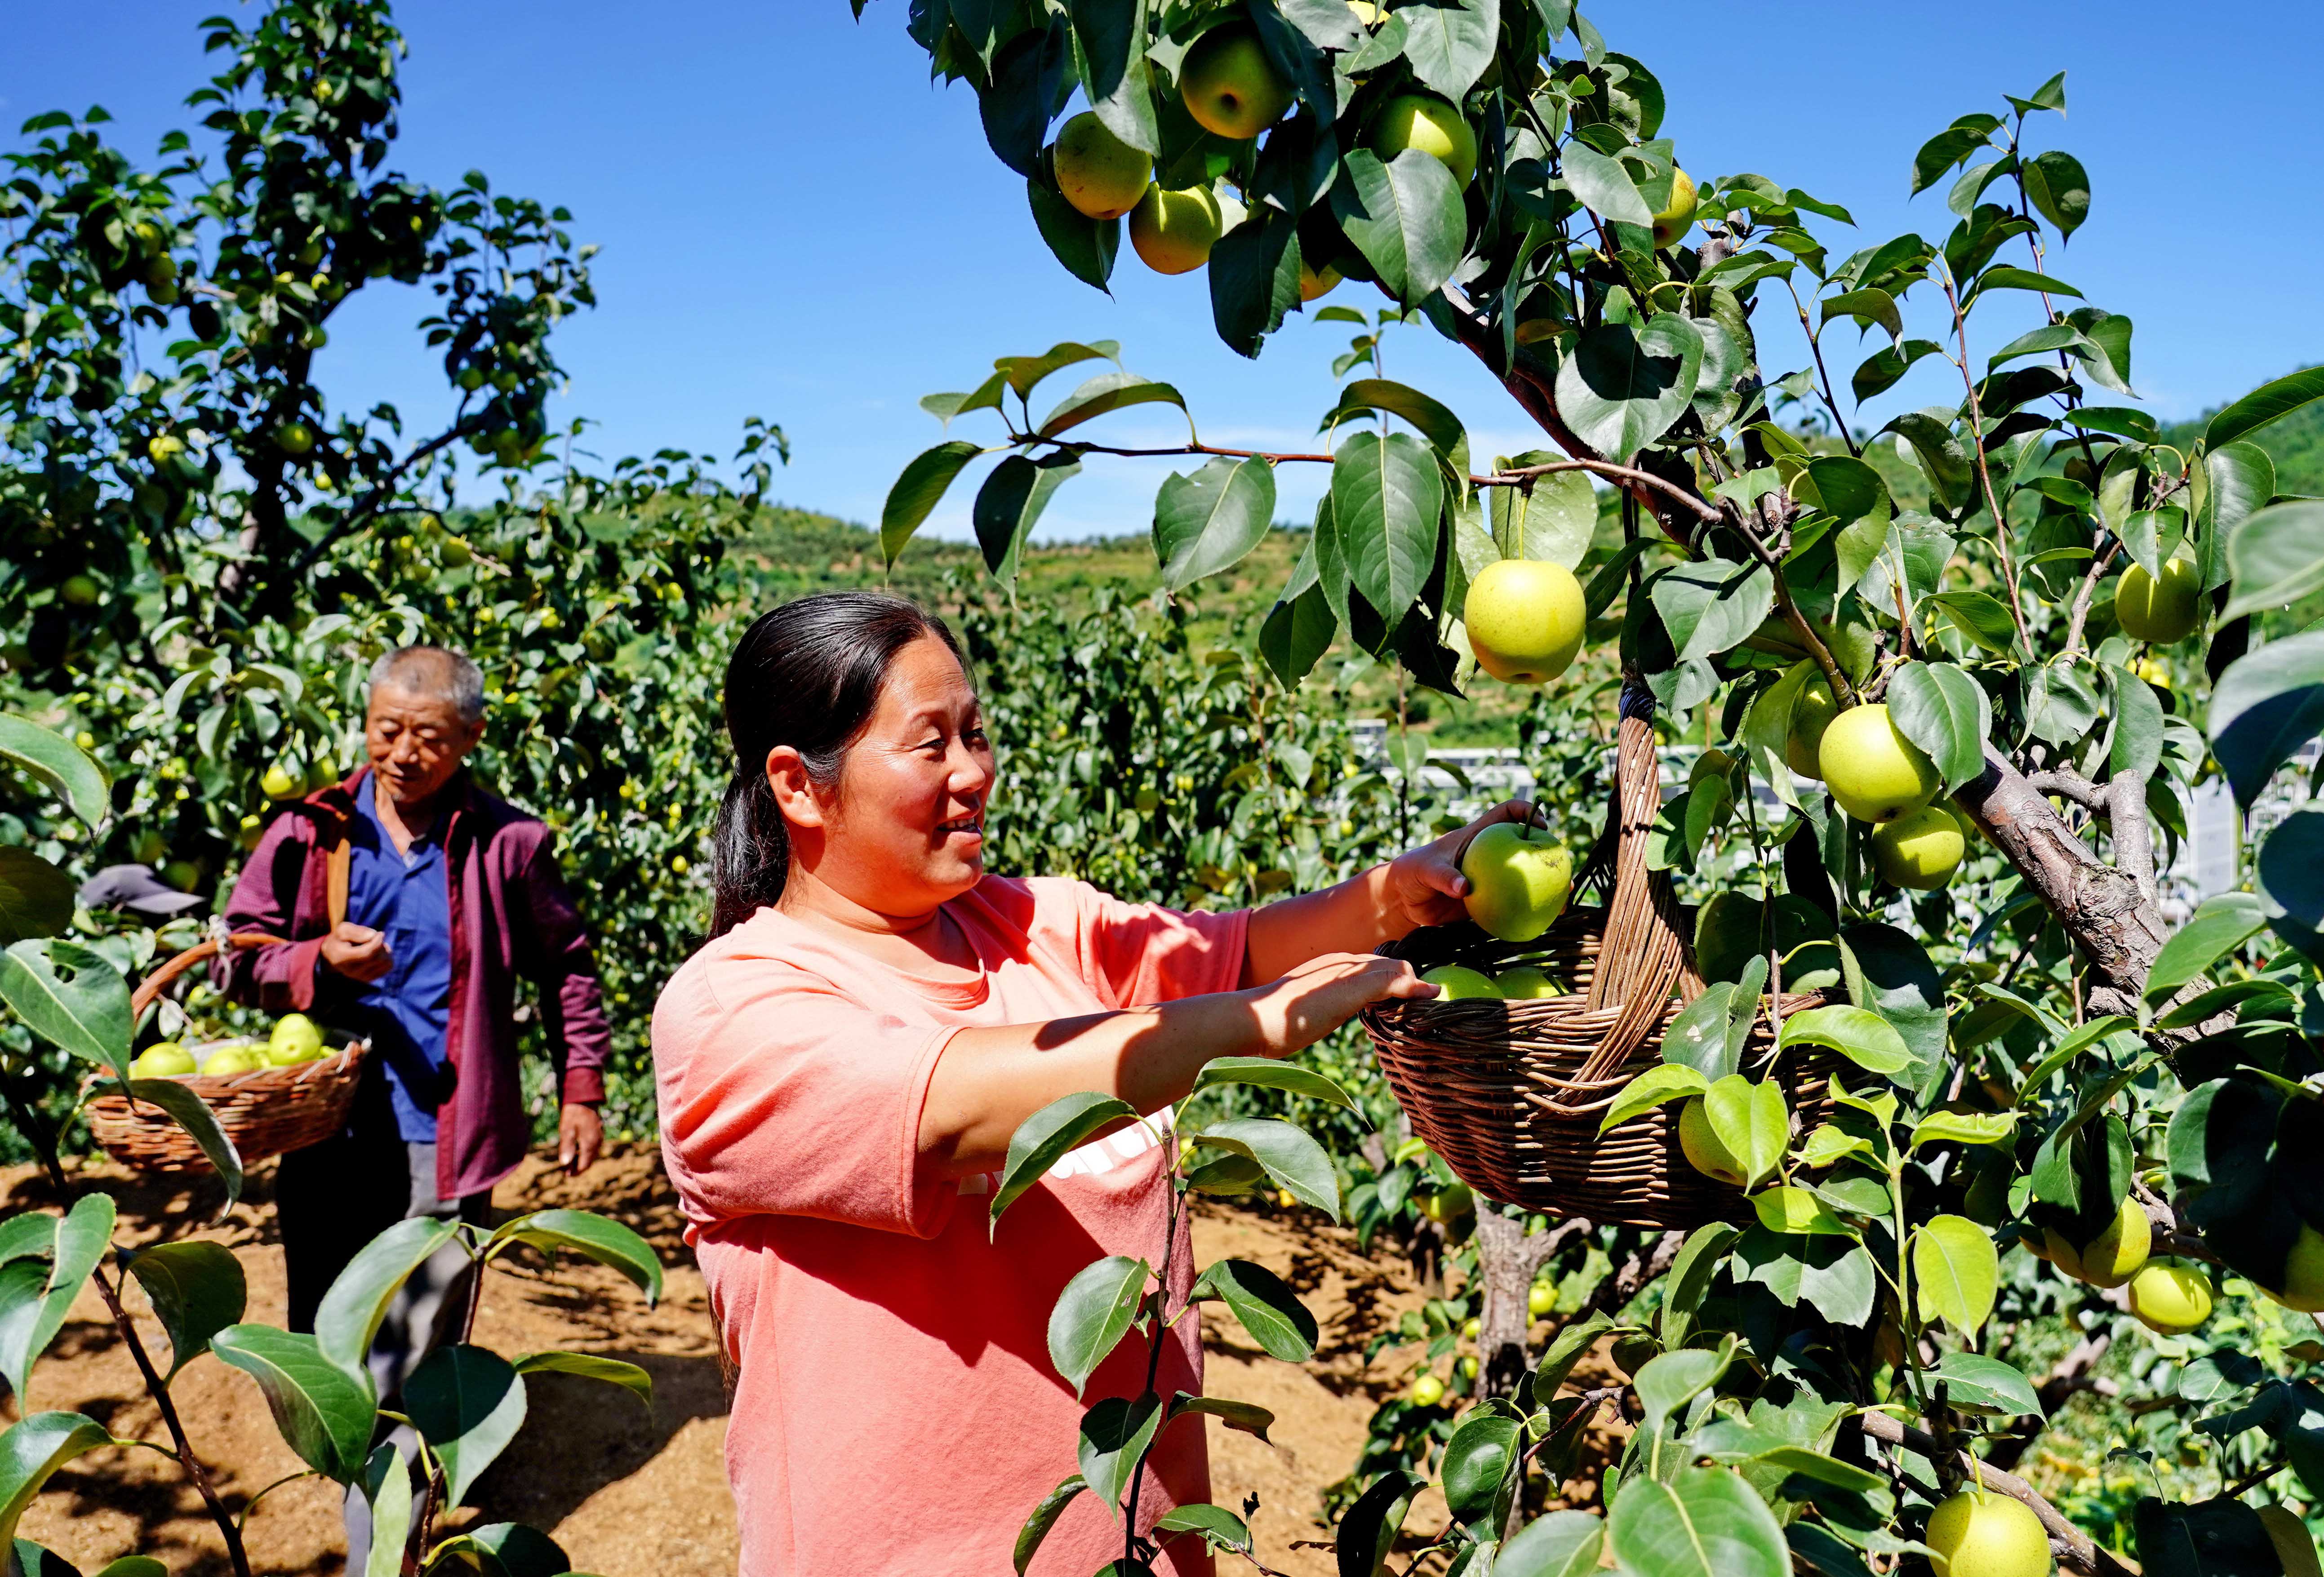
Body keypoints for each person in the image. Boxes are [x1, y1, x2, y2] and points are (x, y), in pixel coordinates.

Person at [653, 591, 1521, 1576]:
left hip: (1137, 1549)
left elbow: (1227, 954)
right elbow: (953, 1111)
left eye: (976, 734)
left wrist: (1390, 898)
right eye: (930, 746)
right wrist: (1257, 1023)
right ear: (799, 787)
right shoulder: (732, 1013)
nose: (974, 774)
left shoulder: (1036, 923)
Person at [218, 644, 613, 1561]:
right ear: (365, 724)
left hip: (450, 1133)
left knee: (414, 1346)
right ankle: (379, 1482)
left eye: (428, 737)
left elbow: (569, 968)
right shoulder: (312, 833)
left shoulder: (510, 844)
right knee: (329, 1339)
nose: (403, 753)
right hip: (328, 1130)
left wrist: (581, 1086)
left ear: (470, 738)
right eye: (386, 730)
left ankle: (380, 1547)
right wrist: (314, 962)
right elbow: (238, 953)